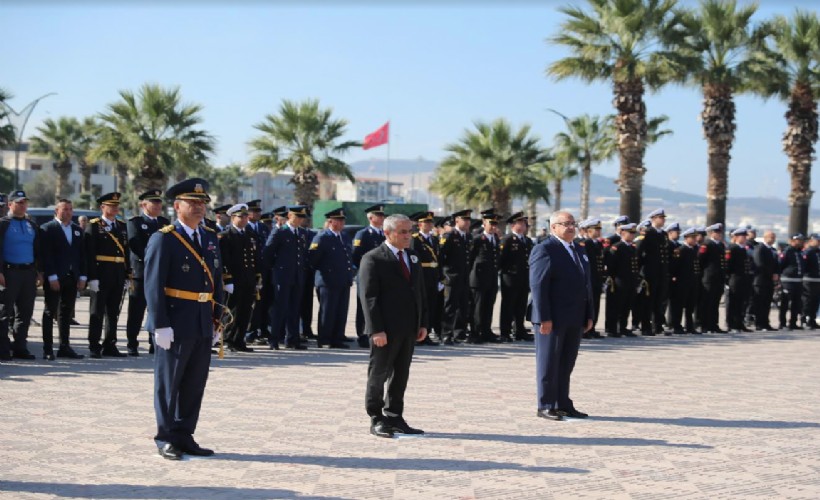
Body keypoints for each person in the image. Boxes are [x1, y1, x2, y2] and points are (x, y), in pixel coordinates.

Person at [145, 178, 223, 460]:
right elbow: (153, 284)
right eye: (193, 203)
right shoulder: (164, 238)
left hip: (202, 320)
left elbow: (216, 281)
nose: (200, 207)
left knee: (194, 382)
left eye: (202, 203)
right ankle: (165, 436)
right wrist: (159, 323)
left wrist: (217, 319)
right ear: (177, 206)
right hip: (175, 322)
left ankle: (184, 433)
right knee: (169, 382)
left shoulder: (210, 237)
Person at [359, 214, 428, 437]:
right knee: (379, 374)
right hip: (385, 330)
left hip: (408, 327)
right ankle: (376, 417)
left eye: (410, 231)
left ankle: (395, 415)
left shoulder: (413, 257)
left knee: (401, 374)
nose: (408, 236)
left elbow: (420, 292)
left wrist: (423, 323)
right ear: (387, 233)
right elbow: (369, 298)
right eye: (402, 232)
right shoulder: (373, 258)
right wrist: (376, 329)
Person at [530, 211, 593, 421]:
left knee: (566, 362)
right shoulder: (545, 249)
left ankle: (563, 403)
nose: (571, 227)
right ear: (553, 227)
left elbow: (587, 285)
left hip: (574, 316)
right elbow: (538, 286)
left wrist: (589, 314)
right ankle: (546, 404)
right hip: (552, 318)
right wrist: (543, 317)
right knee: (548, 362)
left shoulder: (578, 250)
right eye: (565, 224)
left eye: (573, 224)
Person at [85, 192, 131, 358]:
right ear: (102, 207)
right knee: (97, 311)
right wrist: (92, 277)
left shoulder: (121, 226)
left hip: (118, 273)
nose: (114, 208)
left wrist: (127, 274)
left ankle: (110, 344)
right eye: (111, 205)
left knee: (113, 312)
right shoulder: (94, 226)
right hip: (101, 272)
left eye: (116, 205)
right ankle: (94, 345)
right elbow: (89, 254)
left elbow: (126, 251)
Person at [0, 190, 44, 361]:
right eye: (19, 202)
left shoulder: (31, 225)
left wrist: (39, 271)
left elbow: (37, 250)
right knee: (4, 312)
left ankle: (20, 346)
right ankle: (3, 348)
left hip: (28, 273)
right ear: (10, 204)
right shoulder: (3, 224)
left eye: (25, 202)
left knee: (25, 312)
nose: (23, 205)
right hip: (9, 273)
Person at [40, 199, 86, 360]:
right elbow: (47, 255)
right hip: (55, 277)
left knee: (65, 313)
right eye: (65, 209)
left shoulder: (77, 230)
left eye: (70, 209)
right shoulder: (48, 229)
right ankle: (47, 348)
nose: (68, 212)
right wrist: (51, 276)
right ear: (56, 211)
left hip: (71, 277)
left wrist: (82, 276)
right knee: (49, 311)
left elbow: (81, 255)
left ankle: (64, 346)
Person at [126, 189, 170, 356]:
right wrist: (154, 261)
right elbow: (136, 245)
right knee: (136, 310)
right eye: (154, 202)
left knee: (156, 309)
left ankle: (154, 343)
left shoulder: (165, 223)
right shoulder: (135, 222)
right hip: (141, 273)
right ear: (143, 204)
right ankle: (132, 343)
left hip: (161, 275)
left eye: (159, 202)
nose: (158, 205)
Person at [308, 208, 354, 349]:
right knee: (328, 311)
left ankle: (337, 337)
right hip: (328, 281)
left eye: (343, 220)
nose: (341, 223)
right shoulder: (322, 237)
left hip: (343, 280)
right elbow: (312, 259)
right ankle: (325, 339)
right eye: (338, 220)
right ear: (330, 221)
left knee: (341, 311)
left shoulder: (344, 236)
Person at [265, 205, 309, 350]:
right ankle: (274, 339)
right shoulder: (280, 232)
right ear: (290, 216)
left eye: (302, 217)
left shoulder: (301, 233)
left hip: (297, 276)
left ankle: (292, 339)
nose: (300, 220)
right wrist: (276, 270)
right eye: (297, 216)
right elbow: (268, 253)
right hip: (282, 276)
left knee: (294, 309)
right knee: (280, 308)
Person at [219, 204, 260, 353]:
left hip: (248, 280)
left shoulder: (250, 235)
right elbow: (224, 260)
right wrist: (227, 279)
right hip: (234, 280)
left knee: (245, 311)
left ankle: (239, 339)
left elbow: (255, 259)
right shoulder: (226, 236)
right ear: (232, 218)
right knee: (233, 311)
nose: (244, 219)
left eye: (246, 216)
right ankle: (229, 339)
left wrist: (257, 278)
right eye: (240, 217)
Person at [352, 204, 387, 348]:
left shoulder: (384, 234)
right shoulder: (363, 234)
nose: (382, 218)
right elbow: (355, 256)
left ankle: (377, 332)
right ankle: (362, 335)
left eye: (382, 215)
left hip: (382, 276)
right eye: (379, 215)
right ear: (371, 218)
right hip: (367, 275)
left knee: (380, 304)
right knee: (364, 305)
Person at [498, 212, 534, 342]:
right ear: (513, 225)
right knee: (508, 305)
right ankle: (505, 332)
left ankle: (519, 330)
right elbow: (500, 260)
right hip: (510, 278)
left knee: (521, 306)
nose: (524, 225)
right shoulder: (507, 239)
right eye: (521, 223)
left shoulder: (527, 240)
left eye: (525, 223)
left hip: (524, 278)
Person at [438, 209, 473, 345]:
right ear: (457, 221)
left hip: (464, 277)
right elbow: (441, 257)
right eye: (464, 219)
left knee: (463, 306)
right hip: (451, 276)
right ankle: (446, 334)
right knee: (450, 306)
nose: (467, 222)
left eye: (469, 220)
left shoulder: (468, 237)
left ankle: (459, 332)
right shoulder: (449, 236)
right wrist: (443, 275)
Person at [468, 209, 501, 343]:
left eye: (495, 224)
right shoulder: (477, 238)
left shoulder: (495, 239)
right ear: (484, 223)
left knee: (489, 305)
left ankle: (486, 331)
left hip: (491, 278)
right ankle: (475, 332)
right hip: (478, 278)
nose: (493, 226)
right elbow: (470, 258)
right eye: (491, 223)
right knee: (478, 307)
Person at [410, 211, 442, 346]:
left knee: (431, 306)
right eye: (426, 222)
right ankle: (416, 334)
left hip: (433, 277)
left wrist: (440, 278)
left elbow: (438, 259)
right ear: (419, 224)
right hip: (422, 276)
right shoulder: (415, 239)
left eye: (430, 222)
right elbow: (413, 259)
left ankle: (427, 333)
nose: (429, 225)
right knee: (420, 306)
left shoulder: (434, 239)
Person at [605, 223, 640, 337]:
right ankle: (612, 328)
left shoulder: (631, 247)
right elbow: (611, 264)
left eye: (634, 233)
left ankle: (623, 327)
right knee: (616, 305)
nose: (632, 235)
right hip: (619, 281)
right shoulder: (617, 247)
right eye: (630, 233)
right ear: (623, 233)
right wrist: (612, 279)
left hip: (630, 281)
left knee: (627, 305)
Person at [245, 199, 271, 345]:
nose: (258, 213)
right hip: (249, 270)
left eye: (259, 211)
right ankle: (248, 332)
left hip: (263, 270)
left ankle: (259, 330)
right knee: (250, 303)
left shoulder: (262, 228)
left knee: (262, 302)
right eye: (255, 211)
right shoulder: (245, 228)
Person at [668, 228, 701, 334]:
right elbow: (673, 267)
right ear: (686, 238)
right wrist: (675, 279)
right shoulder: (681, 250)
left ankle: (690, 326)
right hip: (682, 283)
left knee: (690, 306)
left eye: (696, 237)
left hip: (692, 282)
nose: (695, 240)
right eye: (693, 238)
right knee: (678, 305)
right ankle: (676, 325)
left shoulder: (694, 250)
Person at [699, 223, 727, 334]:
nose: (719, 234)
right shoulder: (706, 245)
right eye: (717, 232)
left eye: (720, 232)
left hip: (718, 278)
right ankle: (705, 325)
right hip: (709, 278)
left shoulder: (720, 245)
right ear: (711, 233)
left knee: (715, 303)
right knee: (707, 302)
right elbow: (700, 260)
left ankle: (714, 324)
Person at [579, 218, 604, 339]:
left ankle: (592, 327)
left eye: (599, 229)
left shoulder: (598, 243)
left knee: (596, 304)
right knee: (588, 304)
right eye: (596, 229)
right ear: (588, 231)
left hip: (597, 279)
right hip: (589, 279)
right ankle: (585, 329)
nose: (598, 232)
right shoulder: (586, 243)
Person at [725, 228, 753, 332]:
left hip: (743, 278)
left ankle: (739, 323)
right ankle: (731, 324)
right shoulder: (732, 248)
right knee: (733, 302)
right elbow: (727, 265)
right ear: (736, 237)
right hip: (734, 278)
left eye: (745, 236)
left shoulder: (742, 248)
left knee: (742, 302)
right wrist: (727, 279)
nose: (745, 238)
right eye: (743, 236)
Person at [752, 230, 779, 331]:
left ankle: (765, 322)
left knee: (767, 302)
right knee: (760, 303)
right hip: (760, 280)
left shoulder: (772, 250)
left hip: (769, 281)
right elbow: (759, 264)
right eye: (770, 237)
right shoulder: (760, 248)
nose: (772, 239)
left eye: (773, 237)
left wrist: (776, 273)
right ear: (765, 237)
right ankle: (759, 323)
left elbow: (776, 264)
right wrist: (771, 274)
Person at [779, 234, 805, 330]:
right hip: (788, 281)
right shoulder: (787, 251)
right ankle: (782, 323)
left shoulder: (799, 252)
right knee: (785, 303)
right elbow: (780, 264)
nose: (800, 242)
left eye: (801, 240)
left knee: (796, 303)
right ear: (792, 241)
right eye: (798, 240)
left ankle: (793, 322)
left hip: (798, 281)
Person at [299, 210, 318, 340]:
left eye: (308, 217)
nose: (307, 220)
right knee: (296, 303)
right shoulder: (296, 233)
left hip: (309, 273)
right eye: (304, 217)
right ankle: (297, 330)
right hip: (297, 273)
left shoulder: (312, 234)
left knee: (308, 303)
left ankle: (307, 328)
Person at [802, 234, 820, 329]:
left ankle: (812, 320)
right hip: (808, 280)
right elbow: (803, 266)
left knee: (815, 301)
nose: (818, 242)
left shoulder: (818, 252)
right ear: (810, 241)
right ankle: (804, 319)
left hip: (817, 280)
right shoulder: (807, 252)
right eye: (816, 240)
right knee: (807, 300)